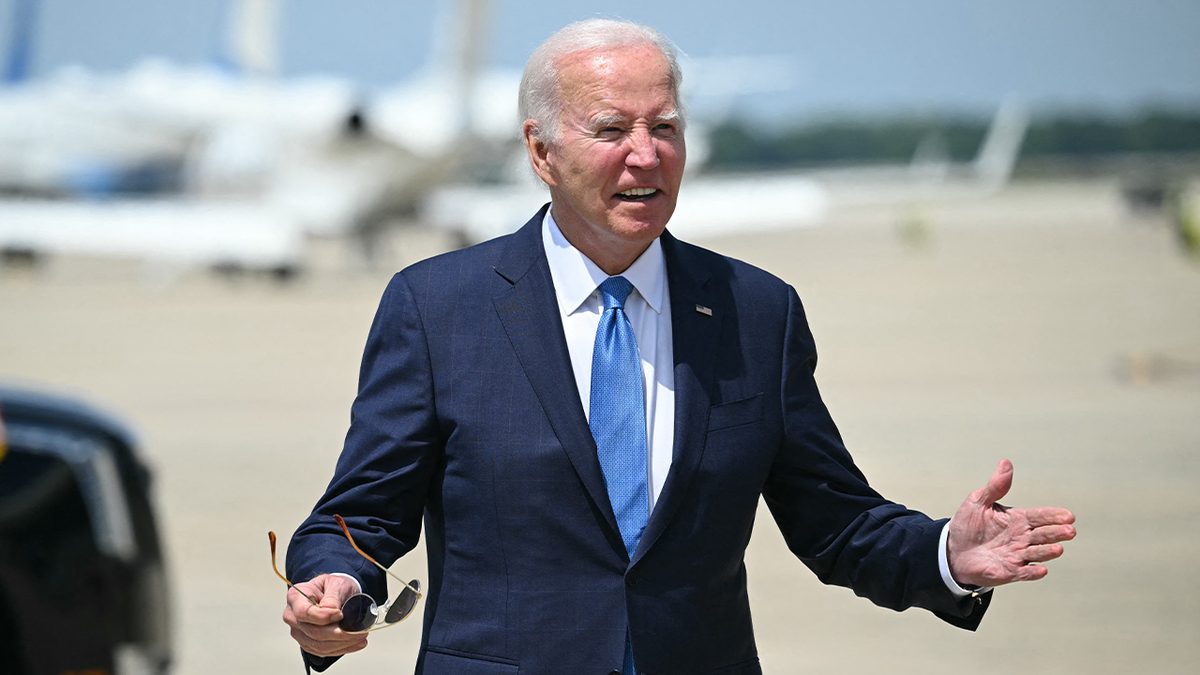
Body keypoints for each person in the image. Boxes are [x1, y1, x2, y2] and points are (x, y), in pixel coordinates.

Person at [282, 19, 1076, 675]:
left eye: (664, 127)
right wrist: (331, 583)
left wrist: (946, 551)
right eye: (611, 129)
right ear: (541, 152)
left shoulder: (757, 311)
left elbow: (837, 523)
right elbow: (358, 517)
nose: (646, 152)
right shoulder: (437, 307)